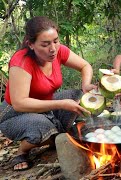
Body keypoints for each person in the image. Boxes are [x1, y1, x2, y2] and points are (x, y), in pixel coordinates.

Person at [0, 16, 96, 171]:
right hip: (14, 113)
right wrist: (61, 104)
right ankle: (22, 150)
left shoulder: (57, 51)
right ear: (30, 44)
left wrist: (85, 85)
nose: (53, 48)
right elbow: (19, 103)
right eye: (45, 44)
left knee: (76, 95)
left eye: (56, 41)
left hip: (45, 106)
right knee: (44, 127)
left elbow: (85, 66)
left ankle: (55, 133)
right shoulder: (21, 62)